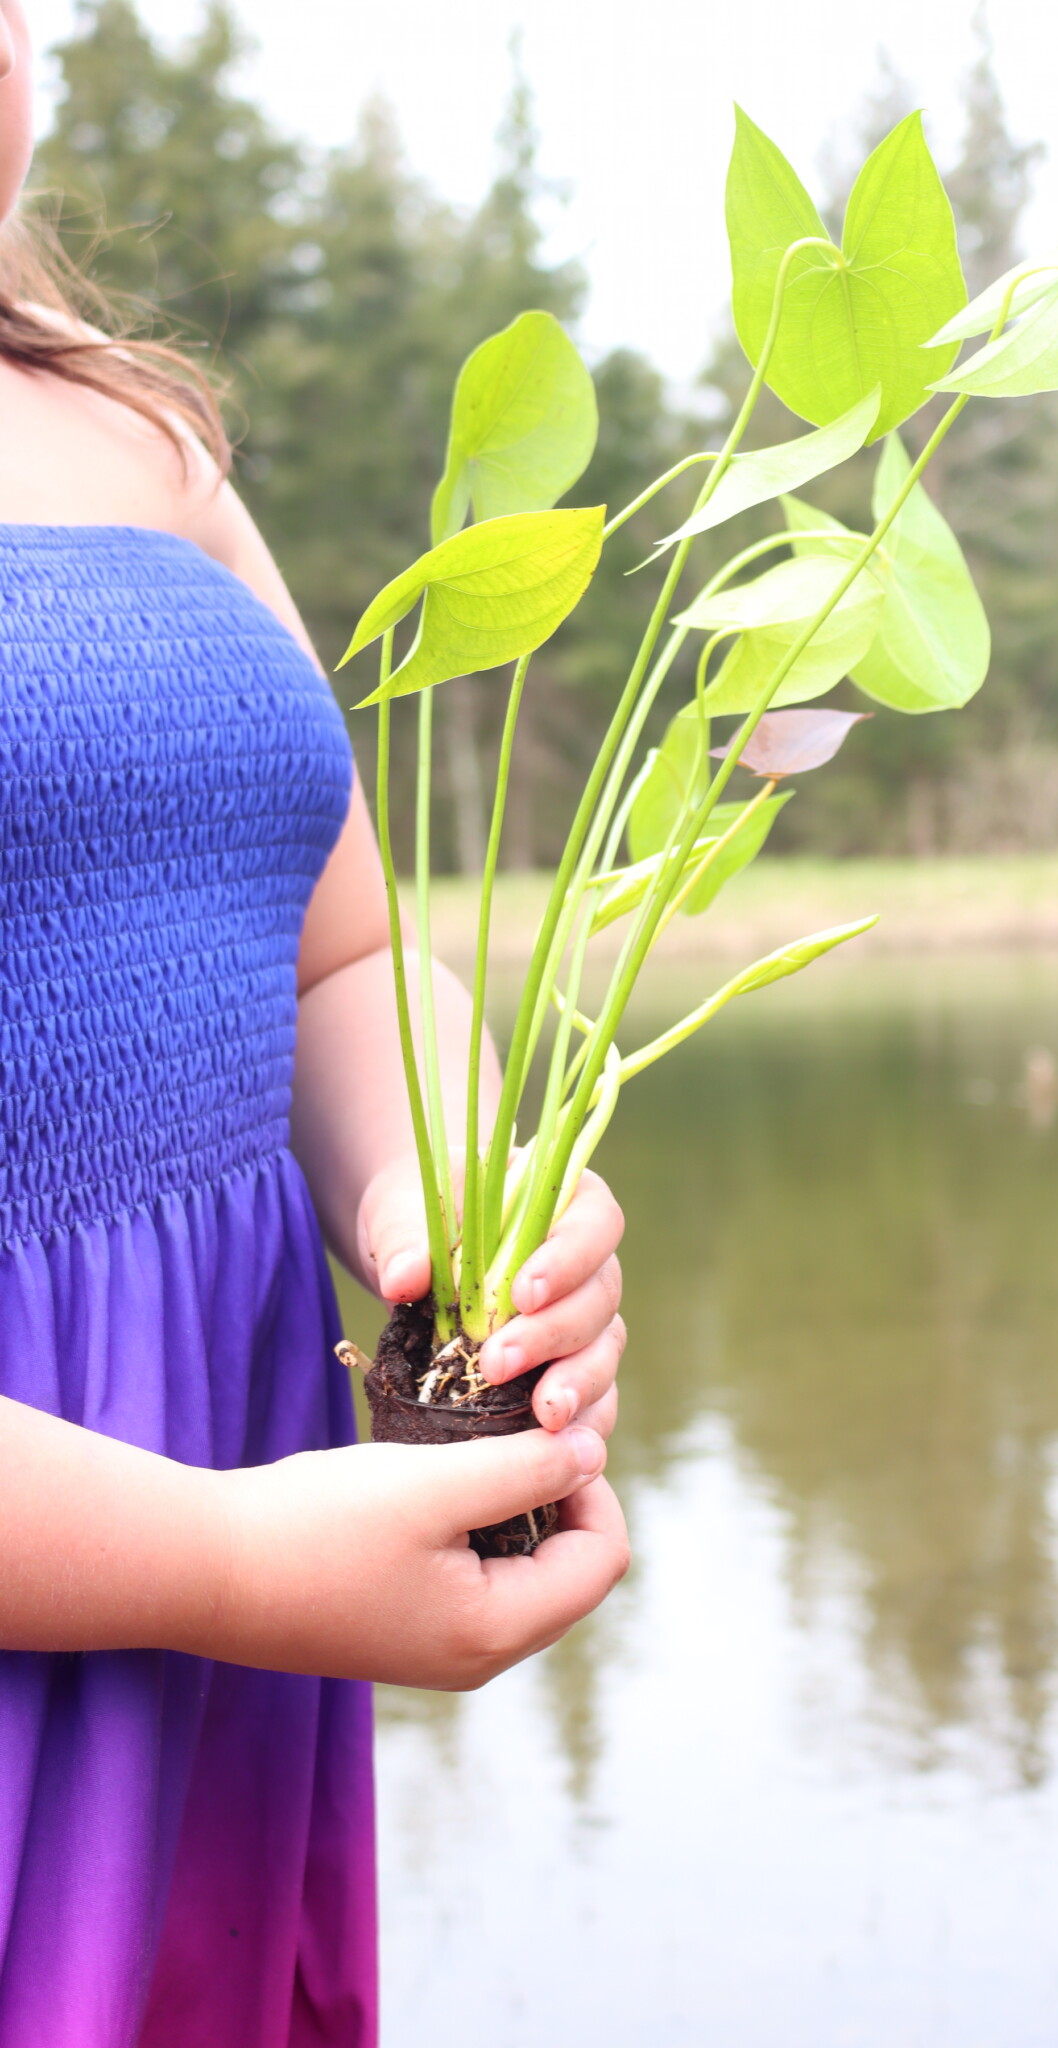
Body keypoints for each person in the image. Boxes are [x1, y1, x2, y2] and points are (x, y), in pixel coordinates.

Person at [0, 3, 630, 2041]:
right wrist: (224, 1559)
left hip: (226, 1625)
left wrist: (460, 1199)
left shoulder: (133, 430)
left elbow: (338, 957)